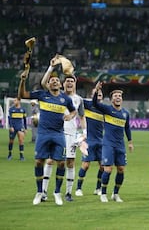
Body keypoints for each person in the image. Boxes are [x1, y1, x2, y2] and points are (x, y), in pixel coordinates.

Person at [18, 69, 76, 206]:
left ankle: (57, 192)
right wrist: (22, 80)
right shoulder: (42, 95)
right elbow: (22, 94)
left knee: (61, 163)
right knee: (39, 162)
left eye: (56, 80)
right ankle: (39, 192)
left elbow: (73, 111)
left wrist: (70, 116)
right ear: (48, 84)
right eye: (52, 80)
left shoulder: (65, 99)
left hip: (58, 134)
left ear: (60, 85)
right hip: (43, 134)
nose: (54, 81)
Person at [40, 60, 86, 203]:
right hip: (55, 133)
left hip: (71, 135)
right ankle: (44, 192)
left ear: (75, 84)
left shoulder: (78, 100)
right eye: (67, 82)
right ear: (62, 84)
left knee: (70, 163)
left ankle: (68, 193)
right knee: (50, 160)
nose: (70, 83)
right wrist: (52, 66)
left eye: (72, 82)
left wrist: (84, 133)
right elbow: (43, 84)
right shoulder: (55, 95)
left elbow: (82, 117)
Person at [93, 81, 134, 203]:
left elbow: (127, 128)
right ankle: (103, 193)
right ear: (111, 99)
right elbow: (95, 103)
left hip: (120, 145)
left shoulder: (125, 113)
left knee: (121, 169)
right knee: (108, 169)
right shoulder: (107, 109)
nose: (118, 98)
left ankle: (115, 193)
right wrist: (96, 91)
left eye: (120, 96)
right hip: (108, 144)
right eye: (115, 96)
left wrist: (130, 142)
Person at [75, 89, 105, 197]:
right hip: (88, 140)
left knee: (102, 166)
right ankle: (78, 188)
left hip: (100, 141)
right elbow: (75, 98)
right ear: (92, 96)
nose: (98, 96)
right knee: (85, 165)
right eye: (96, 94)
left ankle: (98, 188)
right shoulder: (87, 104)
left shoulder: (104, 109)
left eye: (100, 94)